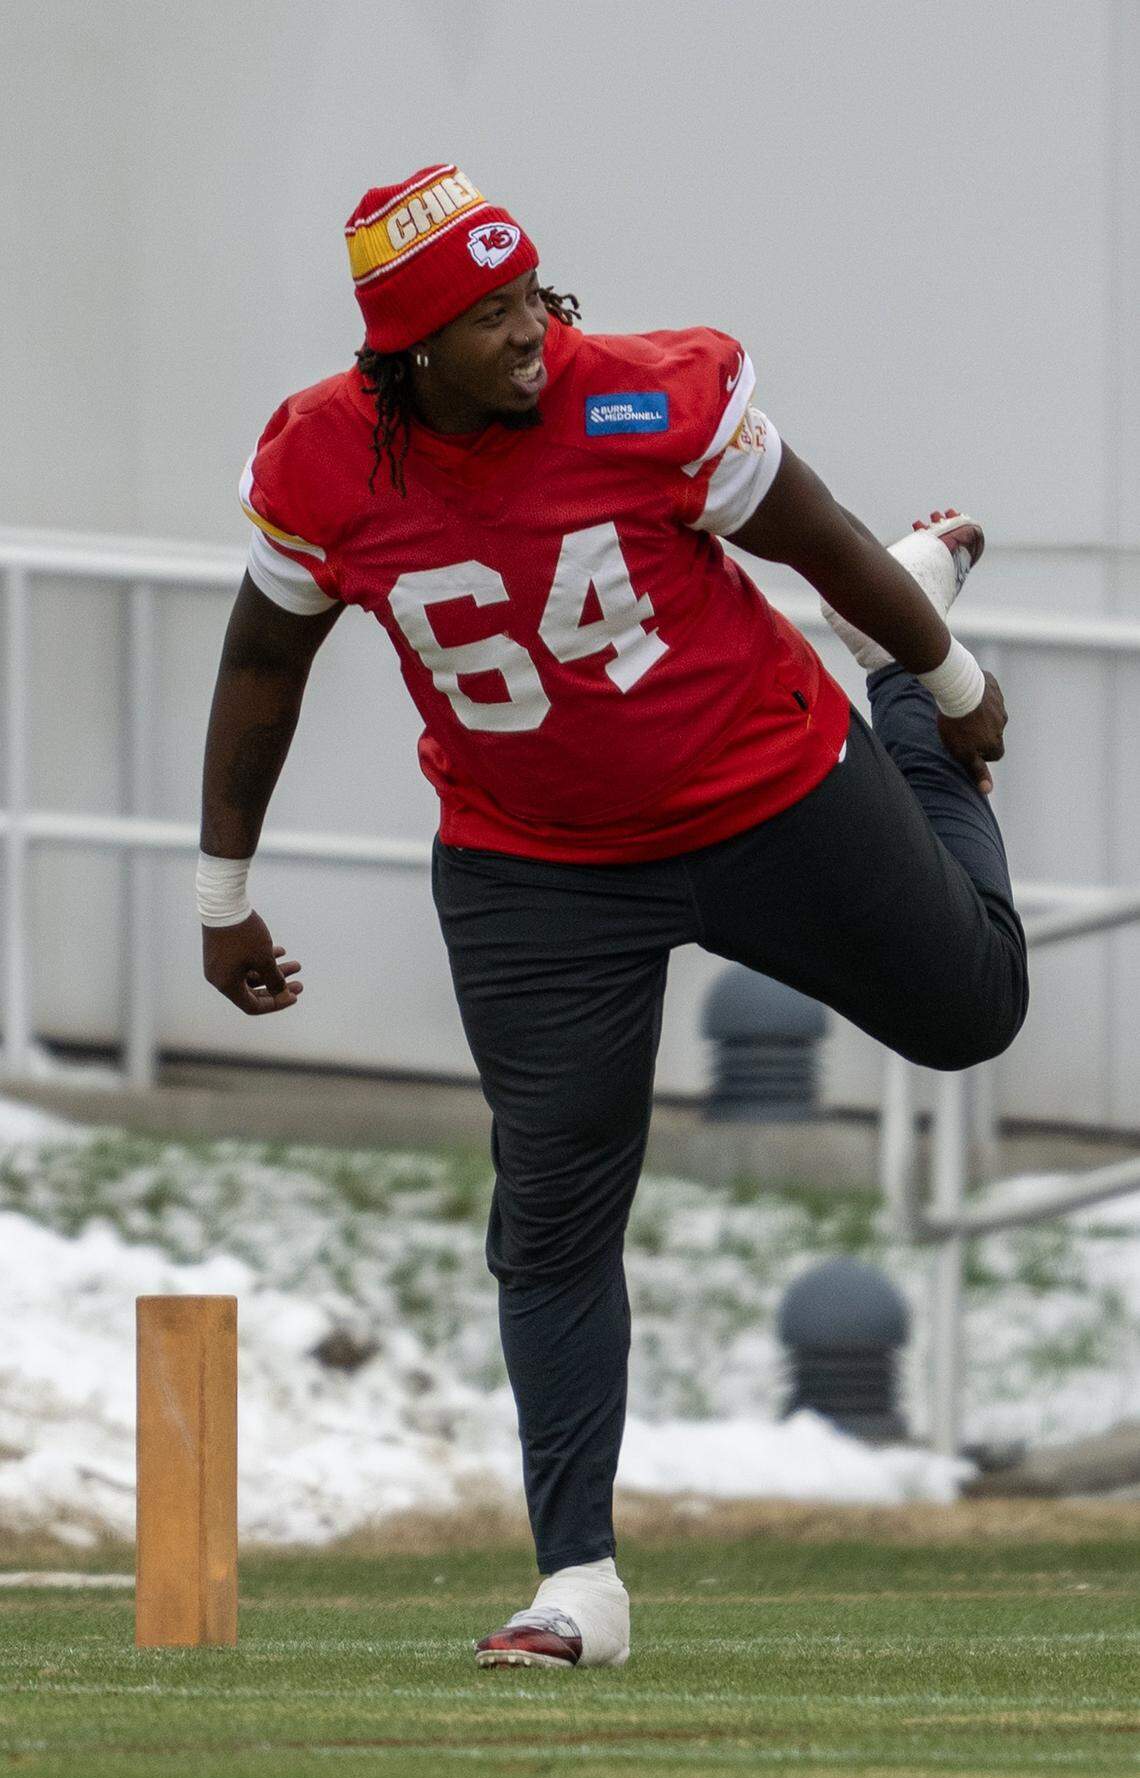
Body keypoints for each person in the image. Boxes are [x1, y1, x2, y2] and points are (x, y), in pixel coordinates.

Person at [199, 164, 1028, 1670]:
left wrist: (950, 682)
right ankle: (576, 1580)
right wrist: (221, 891)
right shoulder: (322, 463)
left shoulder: (645, 398)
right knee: (555, 1213)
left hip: (769, 784)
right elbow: (265, 662)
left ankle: (895, 693)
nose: (528, 331)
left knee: (972, 1015)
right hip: (536, 860)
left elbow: (817, 535)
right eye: (486, 313)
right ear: (406, 350)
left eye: (531, 294)